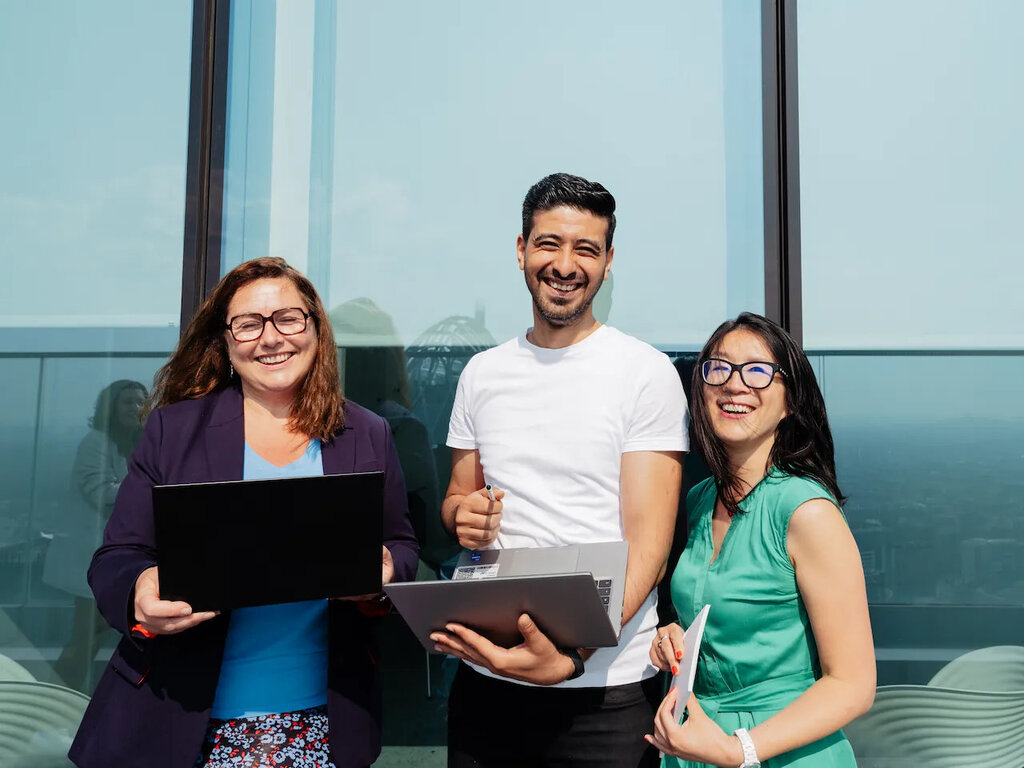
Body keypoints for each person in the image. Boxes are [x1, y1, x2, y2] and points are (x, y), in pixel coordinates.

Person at [69, 257, 419, 768]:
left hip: (324, 717)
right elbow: (117, 556)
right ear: (228, 343)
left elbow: (403, 543)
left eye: (288, 318)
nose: (271, 338)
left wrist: (384, 569)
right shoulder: (174, 430)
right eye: (249, 324)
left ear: (316, 330)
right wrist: (140, 589)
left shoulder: (366, 431)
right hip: (180, 718)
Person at [432, 173, 688, 767]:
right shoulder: (482, 374)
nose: (564, 264)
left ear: (607, 262)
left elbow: (648, 546)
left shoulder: (642, 372)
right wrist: (461, 516)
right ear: (521, 249)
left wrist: (571, 654)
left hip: (606, 691)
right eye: (549, 243)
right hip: (486, 680)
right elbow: (455, 499)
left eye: (586, 249)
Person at [646, 313, 875, 768]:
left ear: (790, 400)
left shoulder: (806, 512)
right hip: (697, 744)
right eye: (720, 368)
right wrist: (671, 640)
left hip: (781, 752)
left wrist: (739, 750)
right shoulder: (700, 499)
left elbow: (853, 684)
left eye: (757, 371)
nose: (735, 384)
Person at [43, 379, 147, 691]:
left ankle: (61, 701)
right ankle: (55, 703)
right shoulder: (96, 442)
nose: (136, 408)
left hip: (110, 556)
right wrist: (151, 485)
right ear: (110, 408)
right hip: (87, 557)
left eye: (141, 402)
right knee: (85, 639)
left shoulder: (131, 444)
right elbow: (100, 493)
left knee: (94, 635)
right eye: (127, 402)